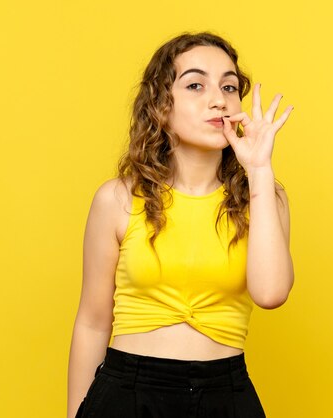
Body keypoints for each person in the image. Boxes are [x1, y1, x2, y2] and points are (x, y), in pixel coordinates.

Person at [67, 31, 294, 418]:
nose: (218, 99)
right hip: (128, 393)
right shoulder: (118, 199)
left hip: (225, 394)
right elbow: (91, 322)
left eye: (228, 86)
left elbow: (270, 293)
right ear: (161, 106)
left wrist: (258, 170)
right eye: (195, 84)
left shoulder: (265, 196)